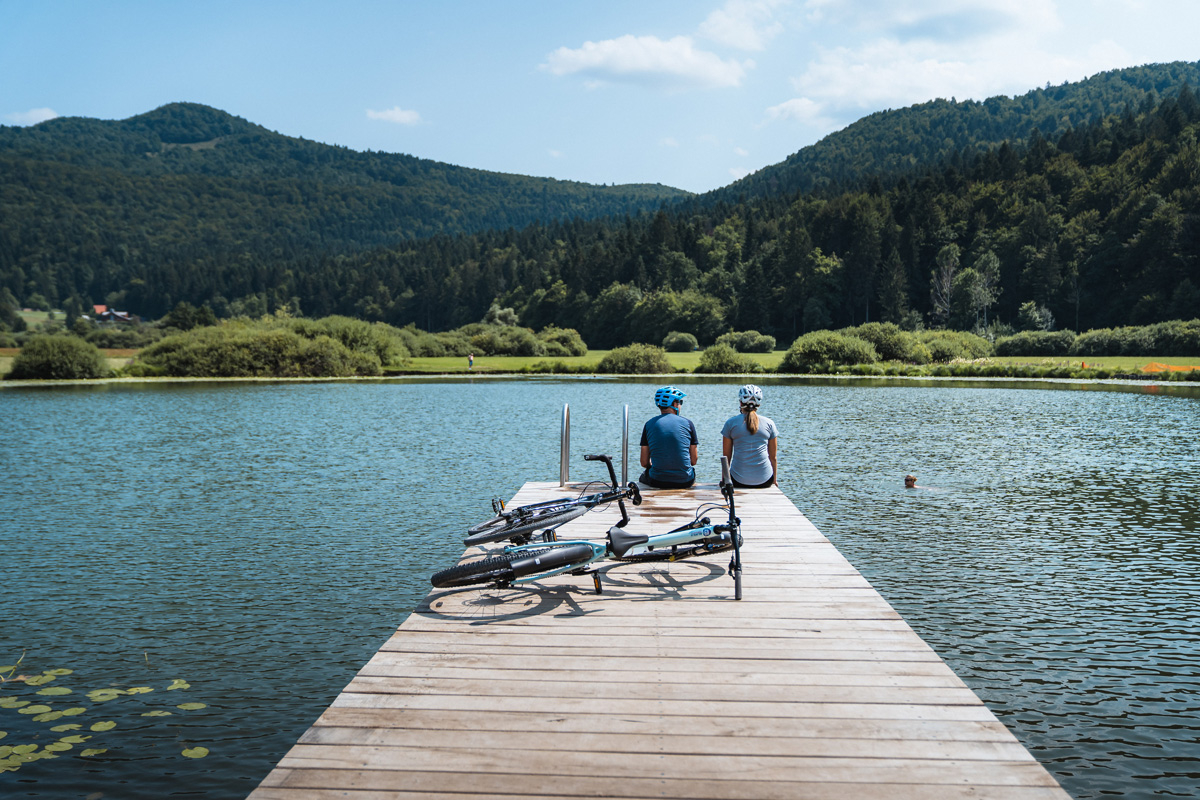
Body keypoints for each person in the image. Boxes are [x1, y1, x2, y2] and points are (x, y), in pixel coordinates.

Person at [639, 385, 698, 489]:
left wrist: (653, 464)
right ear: (675, 404)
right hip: (685, 481)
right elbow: (693, 461)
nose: (680, 405)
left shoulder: (649, 424)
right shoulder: (688, 424)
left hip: (657, 481)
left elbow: (644, 462)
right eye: (680, 402)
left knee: (643, 477)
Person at [721, 384, 778, 488]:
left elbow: (726, 457)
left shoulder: (731, 423)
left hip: (738, 480)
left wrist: (724, 479)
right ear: (759, 404)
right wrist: (774, 480)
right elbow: (773, 457)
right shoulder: (769, 423)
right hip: (765, 480)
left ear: (740, 402)